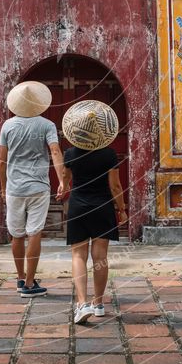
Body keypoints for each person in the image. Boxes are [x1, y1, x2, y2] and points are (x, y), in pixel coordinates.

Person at [60, 100, 127, 324]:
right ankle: (98, 303)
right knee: (100, 257)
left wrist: (63, 188)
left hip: (78, 205)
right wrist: (122, 209)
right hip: (103, 206)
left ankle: (81, 304)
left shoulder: (70, 153)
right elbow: (115, 186)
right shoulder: (109, 154)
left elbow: (65, 181)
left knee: (78, 255)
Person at [0, 80, 64, 298]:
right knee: (34, 232)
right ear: (39, 103)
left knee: (16, 235)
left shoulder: (8, 126)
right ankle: (29, 283)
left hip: (14, 188)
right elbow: (55, 151)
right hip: (39, 187)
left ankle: (20, 278)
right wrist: (62, 180)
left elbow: (1, 162)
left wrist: (2, 187)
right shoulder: (46, 125)